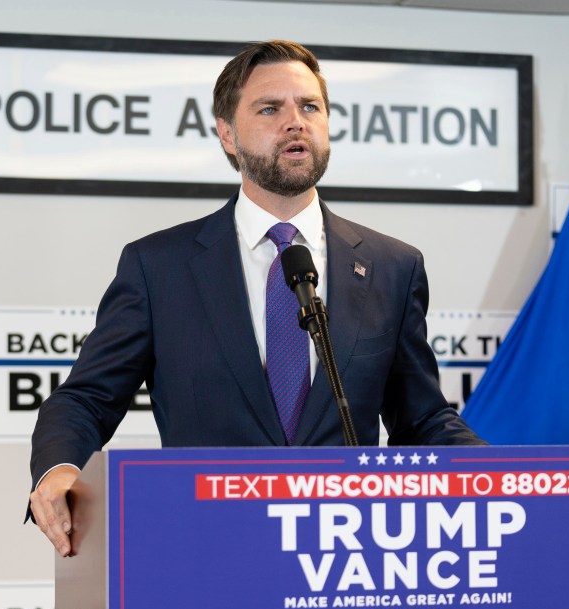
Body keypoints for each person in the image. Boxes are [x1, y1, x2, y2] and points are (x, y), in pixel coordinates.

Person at [28, 39, 485, 556]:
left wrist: (502, 479)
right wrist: (60, 468)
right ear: (227, 135)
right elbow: (86, 399)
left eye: (310, 107)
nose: (296, 122)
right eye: (270, 109)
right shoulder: (159, 267)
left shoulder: (392, 267)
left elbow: (420, 417)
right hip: (206, 553)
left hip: (344, 561)